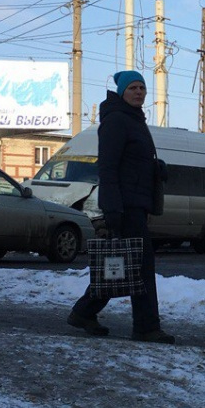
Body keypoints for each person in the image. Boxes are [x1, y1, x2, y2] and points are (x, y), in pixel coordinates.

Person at [67, 70, 175, 343]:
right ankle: (146, 327)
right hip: (125, 205)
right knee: (140, 265)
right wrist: (112, 208)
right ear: (122, 92)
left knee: (126, 265)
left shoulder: (134, 119)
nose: (139, 92)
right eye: (133, 88)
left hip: (136, 203)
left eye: (142, 88)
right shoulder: (117, 120)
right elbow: (109, 167)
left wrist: (154, 168)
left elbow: (131, 161)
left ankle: (84, 312)